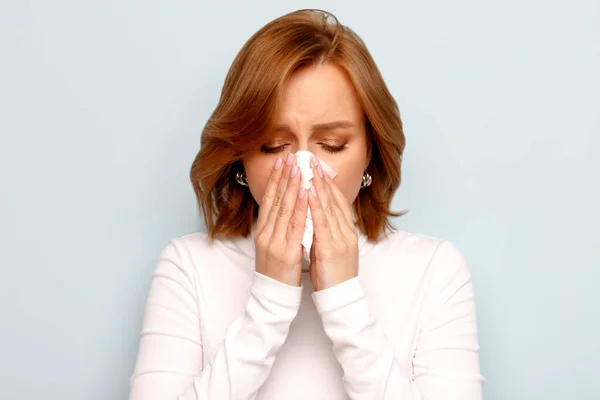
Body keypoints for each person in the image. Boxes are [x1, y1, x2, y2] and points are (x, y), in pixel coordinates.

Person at [129, 9, 484, 400]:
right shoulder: (189, 268)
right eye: (274, 146)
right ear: (241, 160)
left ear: (369, 152)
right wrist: (269, 301)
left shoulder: (434, 272)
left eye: (331, 145)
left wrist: (344, 300)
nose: (302, 169)